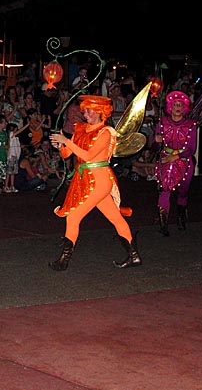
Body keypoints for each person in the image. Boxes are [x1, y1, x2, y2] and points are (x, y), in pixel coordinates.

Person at [48, 95, 140, 271]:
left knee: (73, 216)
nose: (86, 113)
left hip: (99, 180)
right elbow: (68, 154)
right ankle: (134, 256)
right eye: (85, 109)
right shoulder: (80, 129)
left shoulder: (106, 132)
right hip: (84, 179)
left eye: (90, 110)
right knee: (115, 217)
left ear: (101, 112)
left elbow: (89, 156)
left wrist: (66, 141)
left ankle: (63, 261)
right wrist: (60, 145)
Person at [152, 90, 199, 235]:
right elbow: (154, 147)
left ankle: (180, 218)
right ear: (170, 107)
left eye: (180, 105)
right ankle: (163, 224)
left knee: (183, 191)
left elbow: (191, 149)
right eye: (175, 105)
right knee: (165, 189)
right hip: (165, 159)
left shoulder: (191, 125)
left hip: (185, 161)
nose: (177, 108)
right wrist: (156, 142)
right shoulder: (162, 122)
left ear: (184, 108)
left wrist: (176, 157)